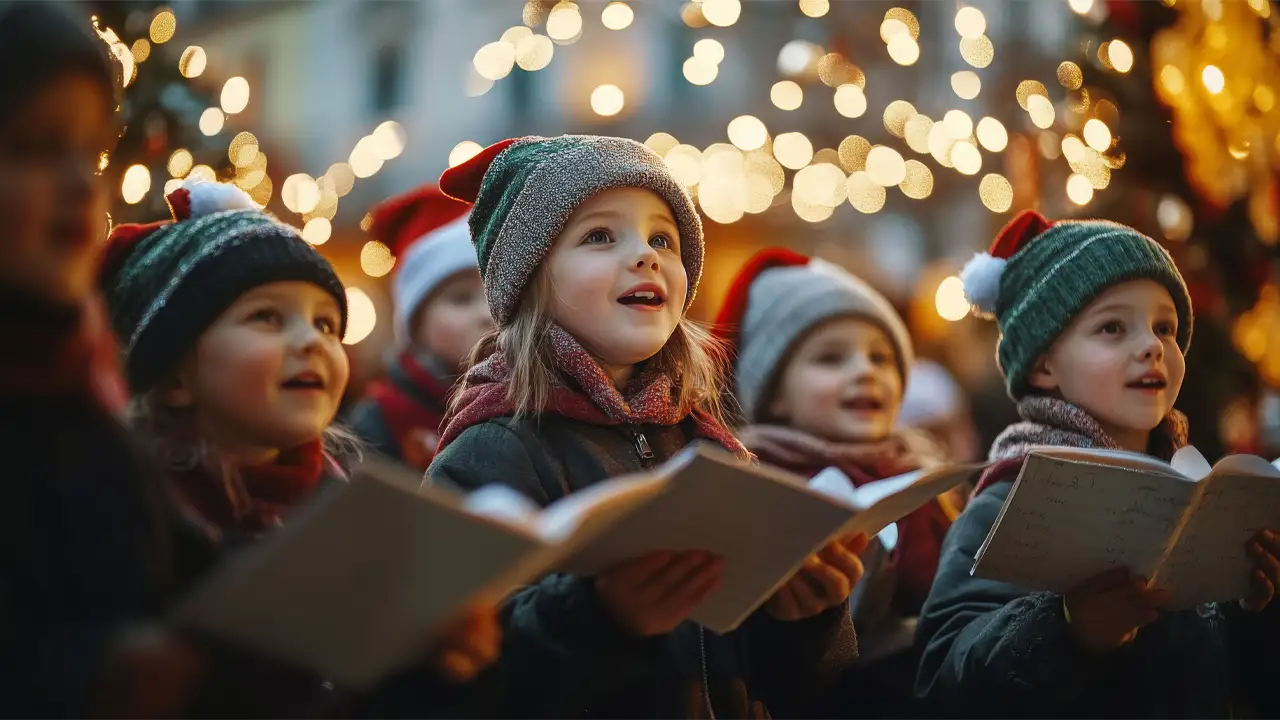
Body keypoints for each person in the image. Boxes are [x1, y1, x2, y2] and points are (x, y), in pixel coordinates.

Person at [427, 135, 866, 718]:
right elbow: (449, 679)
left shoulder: (705, 443)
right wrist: (599, 617)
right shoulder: (493, 448)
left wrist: (805, 620)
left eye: (663, 238)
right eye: (599, 236)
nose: (646, 255)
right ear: (528, 278)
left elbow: (777, 681)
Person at [101, 178, 501, 716]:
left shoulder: (348, 501)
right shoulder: (132, 509)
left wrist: (433, 663)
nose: (312, 341)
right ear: (173, 374)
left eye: (325, 323)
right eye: (266, 317)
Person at [915, 209, 1280, 717]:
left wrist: (1257, 610)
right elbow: (945, 680)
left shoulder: (1201, 493)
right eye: (1112, 328)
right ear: (1044, 364)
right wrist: (1067, 629)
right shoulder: (1008, 500)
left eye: (1165, 327)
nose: (1152, 346)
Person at [0, 3, 205, 715]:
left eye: (88, 153)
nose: (80, 184)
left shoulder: (81, 384)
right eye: (30, 148)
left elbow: (179, 572)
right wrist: (87, 676)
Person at [716, 247, 954, 714]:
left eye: (881, 357)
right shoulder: (754, 484)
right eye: (830, 359)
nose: (864, 371)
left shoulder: (923, 479)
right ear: (775, 394)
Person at [349, 185, 491, 470]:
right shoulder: (380, 421)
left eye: (496, 294)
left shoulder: (536, 398)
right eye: (461, 299)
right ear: (416, 325)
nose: (487, 314)